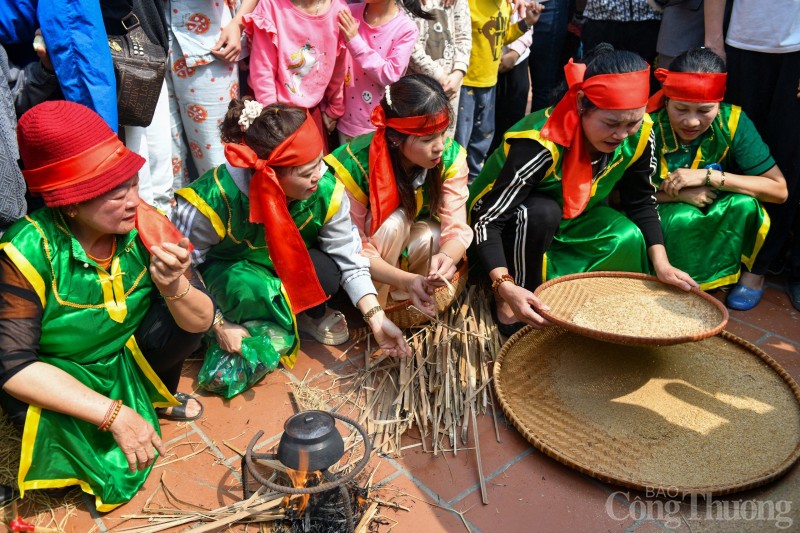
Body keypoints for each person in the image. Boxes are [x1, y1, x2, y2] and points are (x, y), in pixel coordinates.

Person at [0, 101, 214, 510]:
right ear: (71, 202)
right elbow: (14, 366)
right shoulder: (26, 251)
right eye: (115, 194)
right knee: (77, 462)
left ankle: (155, 396)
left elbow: (200, 321)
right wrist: (113, 415)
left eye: (133, 183)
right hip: (59, 374)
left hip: (122, 357)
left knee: (181, 320)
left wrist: (173, 288)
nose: (133, 200)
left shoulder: (142, 225)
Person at [469, 46, 697, 336]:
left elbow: (640, 201)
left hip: (574, 217)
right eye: (611, 123)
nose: (622, 134)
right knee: (539, 211)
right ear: (580, 104)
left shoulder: (641, 133)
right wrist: (505, 285)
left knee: (627, 235)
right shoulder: (540, 142)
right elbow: (488, 220)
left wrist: (661, 264)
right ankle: (514, 305)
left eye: (632, 122)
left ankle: (591, 305)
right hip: (507, 231)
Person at [171, 99, 409, 363]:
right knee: (246, 287)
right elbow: (182, 270)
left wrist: (376, 319)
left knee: (327, 273)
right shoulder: (212, 199)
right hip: (229, 275)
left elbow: (350, 259)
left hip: (281, 264)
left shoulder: (325, 190)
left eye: (319, 162)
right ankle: (238, 323)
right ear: (270, 175)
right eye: (308, 172)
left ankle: (299, 316)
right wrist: (217, 322)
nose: (320, 175)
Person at [324, 74, 473, 314]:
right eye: (428, 139)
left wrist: (447, 256)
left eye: (444, 132)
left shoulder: (450, 157)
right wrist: (406, 279)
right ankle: (377, 309)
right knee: (395, 223)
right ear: (395, 138)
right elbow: (355, 248)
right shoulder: (354, 165)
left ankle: (410, 303)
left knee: (432, 234)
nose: (440, 145)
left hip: (410, 262)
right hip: (365, 267)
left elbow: (456, 227)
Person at [647, 48, 787, 299]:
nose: (692, 122)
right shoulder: (646, 125)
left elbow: (779, 190)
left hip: (712, 200)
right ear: (666, 100)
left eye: (704, 110)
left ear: (718, 104)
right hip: (657, 213)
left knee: (745, 204)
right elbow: (615, 198)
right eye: (681, 109)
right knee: (681, 216)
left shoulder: (732, 121)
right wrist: (677, 196)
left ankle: (718, 279)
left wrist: (708, 177)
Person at [705, 0, 800, 311]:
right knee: (731, 149)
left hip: (795, 51)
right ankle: (722, 259)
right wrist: (713, 40)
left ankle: (757, 268)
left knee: (786, 158)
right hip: (740, 44)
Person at [165, 0, 258, 186]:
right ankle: (175, 215)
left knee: (217, 156)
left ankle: (229, 213)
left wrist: (238, 23)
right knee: (165, 160)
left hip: (209, 44)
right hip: (152, 36)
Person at [455, 0, 544, 181]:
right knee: (460, 141)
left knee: (483, 138)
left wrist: (526, 23)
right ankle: (453, 184)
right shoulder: (467, 5)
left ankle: (473, 183)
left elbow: (503, 36)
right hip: (467, 84)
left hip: (489, 84)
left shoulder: (504, 5)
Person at [242, 0, 349, 148]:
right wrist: (272, 120)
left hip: (310, 113)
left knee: (313, 168)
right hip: (273, 112)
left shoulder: (339, 10)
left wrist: (334, 108)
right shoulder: (271, 6)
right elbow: (262, 69)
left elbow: (339, 67)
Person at [335, 0, 422, 144]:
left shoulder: (406, 28)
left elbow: (390, 74)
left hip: (379, 127)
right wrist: (331, 107)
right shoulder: (347, 12)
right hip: (341, 120)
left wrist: (354, 40)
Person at [406, 0, 472, 137]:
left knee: (444, 139)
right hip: (418, 87)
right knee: (418, 140)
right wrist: (439, 76)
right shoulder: (402, 3)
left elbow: (463, 35)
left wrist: (458, 72)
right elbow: (409, 45)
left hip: (450, 87)